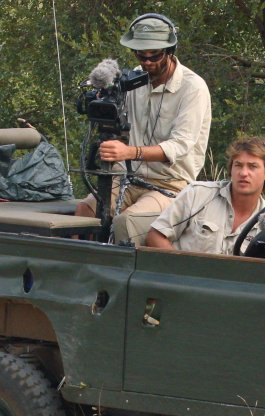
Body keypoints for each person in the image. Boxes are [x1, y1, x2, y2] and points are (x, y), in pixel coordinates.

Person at [75, 13, 212, 244]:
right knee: (84, 212)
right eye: (140, 55)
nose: (147, 62)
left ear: (170, 51)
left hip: (170, 185)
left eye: (155, 56)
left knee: (126, 223)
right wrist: (102, 94)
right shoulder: (132, 80)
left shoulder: (193, 88)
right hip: (127, 177)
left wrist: (130, 152)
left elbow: (180, 145)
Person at [145, 136, 265, 255]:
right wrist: (183, 272)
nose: (243, 173)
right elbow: (155, 236)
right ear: (231, 169)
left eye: (252, 167)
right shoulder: (197, 194)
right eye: (238, 165)